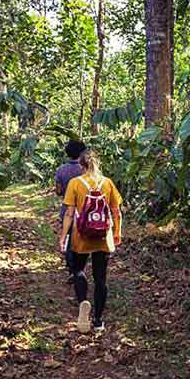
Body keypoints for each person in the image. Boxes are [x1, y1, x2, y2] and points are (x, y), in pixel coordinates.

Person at [59, 150, 122, 333]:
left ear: (81, 166)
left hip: (81, 236)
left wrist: (63, 237)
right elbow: (116, 211)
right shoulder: (108, 183)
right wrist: (117, 232)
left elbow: (70, 213)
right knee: (101, 278)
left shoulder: (75, 183)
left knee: (78, 270)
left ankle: (83, 304)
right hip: (103, 236)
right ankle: (98, 321)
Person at [55, 140, 86, 284]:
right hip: (85, 210)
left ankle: (72, 270)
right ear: (82, 154)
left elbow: (59, 191)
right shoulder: (85, 169)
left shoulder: (61, 169)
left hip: (67, 209)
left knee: (68, 240)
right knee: (83, 239)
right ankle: (80, 270)